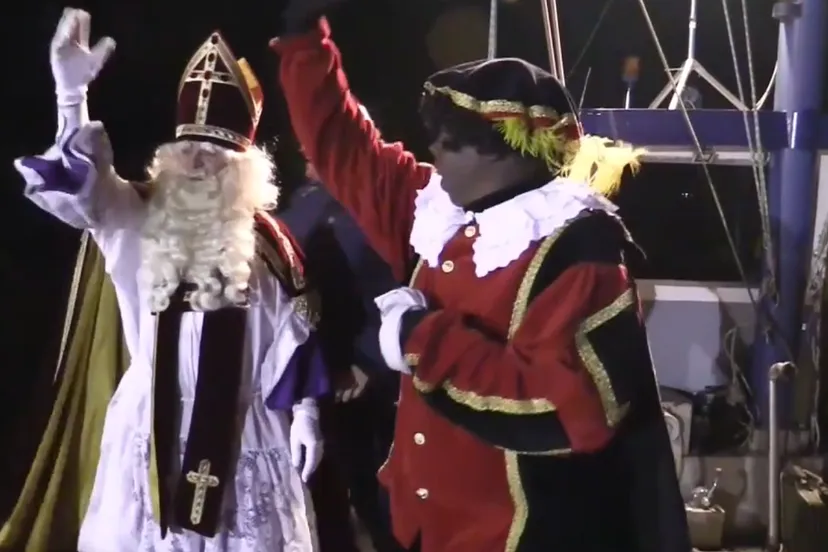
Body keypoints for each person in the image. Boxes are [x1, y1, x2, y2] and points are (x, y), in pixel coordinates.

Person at [271, 4, 693, 552]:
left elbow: (565, 411)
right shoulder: (436, 210)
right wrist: (305, 39)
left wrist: (421, 338)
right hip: (421, 529)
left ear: (505, 152)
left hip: (522, 536)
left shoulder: (580, 253)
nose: (433, 152)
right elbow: (345, 148)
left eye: (448, 140)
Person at [13, 9, 327, 551]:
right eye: (189, 153)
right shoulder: (135, 218)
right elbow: (83, 191)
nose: (201, 165)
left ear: (245, 167)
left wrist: (307, 413)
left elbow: (293, 337)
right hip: (151, 427)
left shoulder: (270, 243)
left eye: (216, 156)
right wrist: (71, 98)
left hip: (245, 433)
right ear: (169, 158)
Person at [279, 159, 402, 551]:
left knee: (377, 496)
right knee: (324, 499)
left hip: (362, 380)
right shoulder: (298, 204)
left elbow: (397, 288)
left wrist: (367, 361)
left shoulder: (376, 204)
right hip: (311, 378)